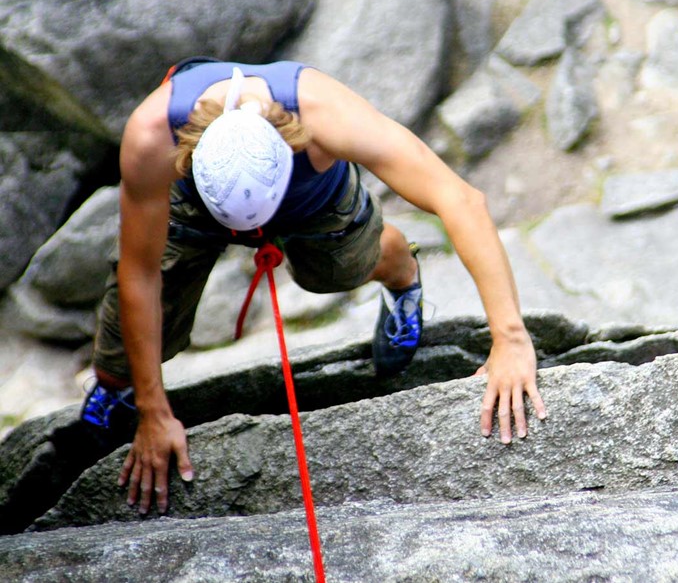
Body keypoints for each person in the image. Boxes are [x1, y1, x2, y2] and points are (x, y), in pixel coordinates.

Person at [79, 58, 546, 516]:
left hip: (311, 194)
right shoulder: (152, 137)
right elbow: (140, 274)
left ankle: (399, 270)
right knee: (123, 351)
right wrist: (153, 409)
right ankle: (117, 384)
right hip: (193, 206)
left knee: (337, 271)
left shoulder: (325, 114)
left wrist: (510, 338)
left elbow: (460, 198)